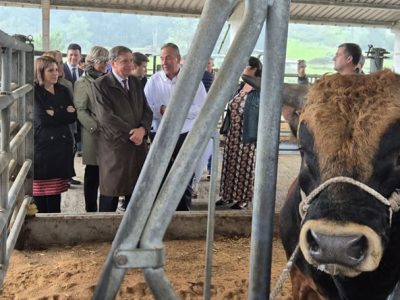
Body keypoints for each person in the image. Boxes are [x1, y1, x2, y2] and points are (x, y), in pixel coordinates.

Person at [144, 42, 207, 211]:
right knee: (159, 172)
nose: (164, 62)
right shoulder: (154, 81)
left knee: (183, 173)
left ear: (178, 59)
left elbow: (201, 107)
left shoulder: (193, 80)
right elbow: (146, 106)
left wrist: (177, 110)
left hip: (185, 133)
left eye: (168, 58)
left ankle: (182, 212)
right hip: (160, 132)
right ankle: (158, 212)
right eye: (162, 58)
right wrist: (161, 109)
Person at [92, 46, 152, 212]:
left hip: (137, 145)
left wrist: (143, 129)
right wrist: (132, 132)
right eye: (125, 61)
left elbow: (147, 110)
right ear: (113, 63)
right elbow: (106, 117)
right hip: (115, 146)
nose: (130, 64)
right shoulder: (101, 85)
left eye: (131, 60)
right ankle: (104, 231)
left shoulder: (135, 82)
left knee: (135, 191)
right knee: (111, 190)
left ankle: (132, 233)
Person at [217, 56, 262, 209]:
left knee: (244, 166)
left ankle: (243, 198)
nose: (243, 69)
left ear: (254, 69)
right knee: (230, 163)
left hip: (248, 133)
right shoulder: (241, 86)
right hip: (233, 132)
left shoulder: (259, 89)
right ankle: (227, 195)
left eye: (245, 66)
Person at [33, 56, 77, 213]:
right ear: (40, 72)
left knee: (55, 195)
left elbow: (72, 116)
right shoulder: (35, 91)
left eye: (57, 70)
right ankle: (40, 232)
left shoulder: (63, 90)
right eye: (50, 70)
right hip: (44, 148)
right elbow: (42, 119)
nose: (55, 73)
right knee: (40, 195)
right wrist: (63, 112)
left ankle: (53, 228)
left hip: (61, 147)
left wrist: (54, 113)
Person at [73, 46, 109, 212]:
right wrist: (96, 127)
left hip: (109, 133)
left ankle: (105, 210)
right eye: (102, 61)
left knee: (107, 172)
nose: (105, 64)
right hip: (93, 133)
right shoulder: (82, 83)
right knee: (93, 173)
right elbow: (81, 110)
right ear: (92, 61)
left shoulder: (108, 79)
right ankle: (90, 210)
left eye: (106, 60)